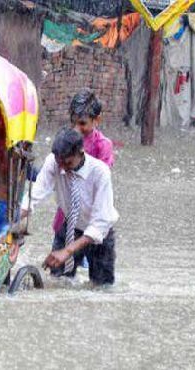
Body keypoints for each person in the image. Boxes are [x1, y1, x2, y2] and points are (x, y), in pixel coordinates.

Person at [21, 128, 119, 286]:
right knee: (58, 282)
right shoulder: (53, 162)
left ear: (81, 153)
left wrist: (67, 251)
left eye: (68, 163)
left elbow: (100, 223)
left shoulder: (100, 173)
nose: (63, 169)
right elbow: (34, 197)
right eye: (60, 163)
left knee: (101, 288)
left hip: (99, 235)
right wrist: (10, 222)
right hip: (69, 226)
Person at [52, 89, 115, 269]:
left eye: (83, 123)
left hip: (92, 219)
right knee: (60, 276)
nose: (77, 129)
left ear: (97, 121)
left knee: (99, 283)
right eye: (74, 123)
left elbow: (97, 182)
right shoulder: (64, 139)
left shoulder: (103, 147)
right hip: (68, 218)